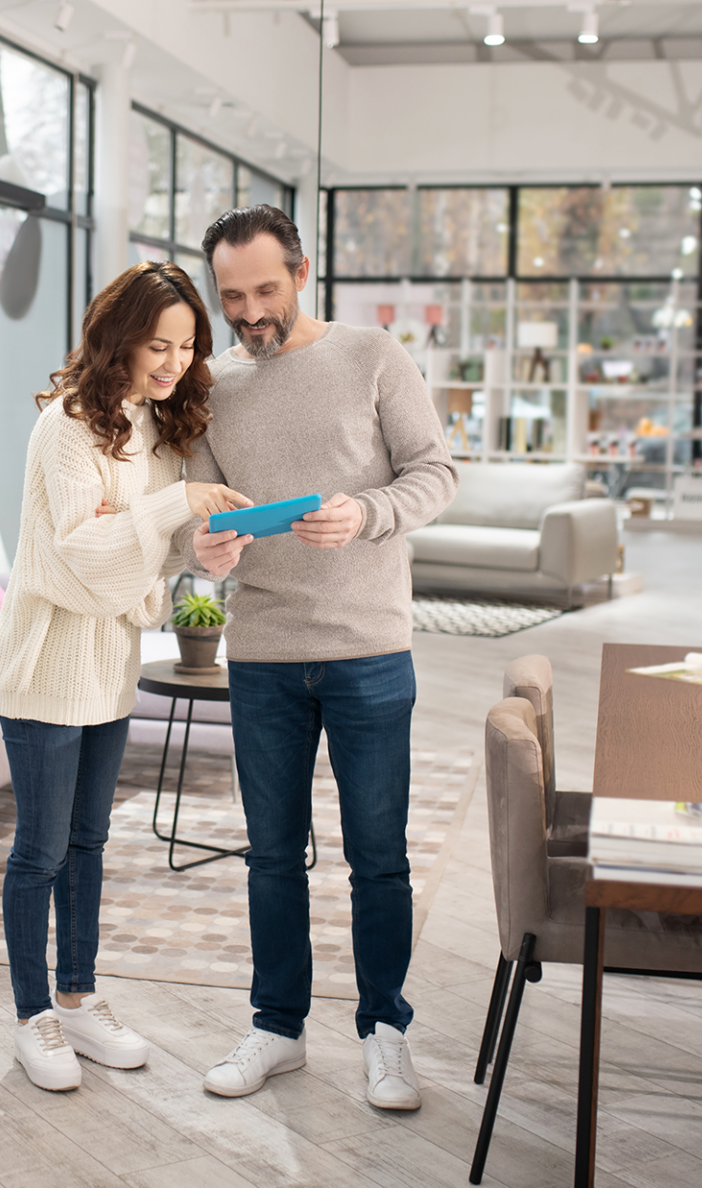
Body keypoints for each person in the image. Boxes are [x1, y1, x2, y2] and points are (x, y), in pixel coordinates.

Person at [186, 204, 456, 1110]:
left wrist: (368, 513)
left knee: (377, 856)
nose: (251, 311)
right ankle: (277, 1027)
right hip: (262, 653)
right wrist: (207, 550)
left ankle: (386, 1029)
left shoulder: (373, 356)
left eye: (266, 289)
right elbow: (198, 513)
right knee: (270, 856)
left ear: (301, 272)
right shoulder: (212, 384)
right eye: (233, 297)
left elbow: (434, 471)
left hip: (370, 648)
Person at [0, 260, 251, 1092]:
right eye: (157, 345)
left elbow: (143, 560)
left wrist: (195, 542)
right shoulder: (67, 425)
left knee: (90, 842)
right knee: (40, 848)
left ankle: (77, 999)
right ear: (119, 339)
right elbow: (74, 561)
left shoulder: (150, 427)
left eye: (186, 347)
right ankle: (33, 1017)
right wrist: (168, 514)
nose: (173, 363)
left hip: (108, 665)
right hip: (44, 663)